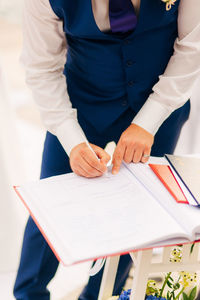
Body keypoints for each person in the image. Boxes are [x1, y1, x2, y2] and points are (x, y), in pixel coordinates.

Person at [14, 0, 200, 299]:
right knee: (51, 201)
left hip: (161, 103)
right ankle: (28, 293)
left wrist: (148, 122)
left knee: (140, 208)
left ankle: (101, 294)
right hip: (80, 106)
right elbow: (41, 69)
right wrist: (73, 140)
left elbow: (193, 47)